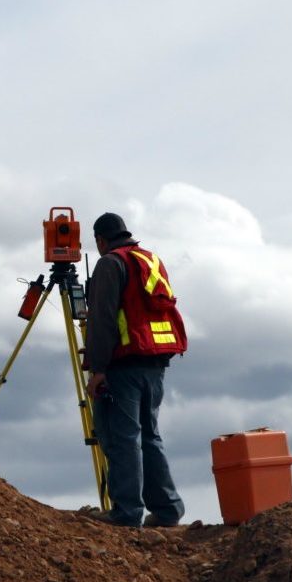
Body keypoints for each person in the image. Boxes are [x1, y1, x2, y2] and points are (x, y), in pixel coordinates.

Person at [85, 212, 186, 528]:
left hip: (124, 366)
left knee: (123, 437)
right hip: (155, 363)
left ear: (101, 240)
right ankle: (168, 509)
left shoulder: (110, 263)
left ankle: (127, 513)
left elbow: (102, 320)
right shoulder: (150, 260)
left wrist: (97, 368)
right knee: (150, 436)